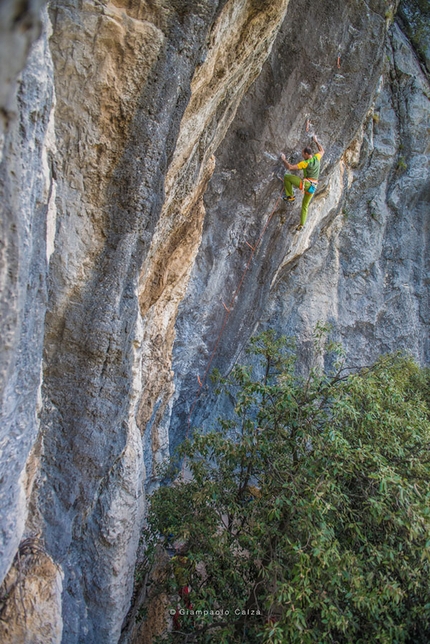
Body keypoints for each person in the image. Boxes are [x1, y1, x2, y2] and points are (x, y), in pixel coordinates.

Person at [280, 135, 324, 231]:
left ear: (306, 154)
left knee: (287, 177)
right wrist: (316, 141)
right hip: (313, 187)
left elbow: (290, 168)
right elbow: (322, 150)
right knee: (305, 206)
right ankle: (301, 225)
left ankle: (290, 196)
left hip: (307, 184)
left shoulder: (305, 163)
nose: (302, 155)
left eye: (303, 154)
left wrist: (283, 160)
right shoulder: (317, 158)